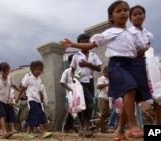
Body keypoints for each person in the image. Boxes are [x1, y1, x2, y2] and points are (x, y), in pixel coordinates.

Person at [60, 1, 151, 140]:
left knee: (131, 97)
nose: (123, 13)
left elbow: (137, 52)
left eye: (126, 10)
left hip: (130, 65)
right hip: (117, 65)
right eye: (119, 11)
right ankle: (133, 125)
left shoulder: (133, 34)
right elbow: (92, 44)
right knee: (130, 90)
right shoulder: (109, 32)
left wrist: (144, 50)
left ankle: (120, 131)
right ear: (111, 17)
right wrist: (72, 44)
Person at [129, 5, 161, 125]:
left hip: (149, 65)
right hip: (135, 65)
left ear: (144, 16)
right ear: (130, 18)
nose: (138, 16)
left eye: (140, 13)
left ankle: (158, 128)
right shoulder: (128, 33)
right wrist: (144, 50)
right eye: (135, 14)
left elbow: (149, 49)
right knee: (132, 96)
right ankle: (125, 127)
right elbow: (131, 53)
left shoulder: (148, 34)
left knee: (157, 95)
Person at [70, 34, 102, 137]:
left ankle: (84, 125)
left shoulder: (93, 55)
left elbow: (98, 69)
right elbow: (72, 69)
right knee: (88, 102)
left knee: (90, 104)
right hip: (80, 83)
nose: (85, 44)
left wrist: (88, 64)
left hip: (90, 81)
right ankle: (85, 126)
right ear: (79, 44)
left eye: (87, 41)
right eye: (82, 42)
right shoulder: (76, 56)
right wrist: (73, 79)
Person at [16, 60, 53, 139]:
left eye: (40, 70)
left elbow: (40, 91)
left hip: (38, 100)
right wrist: (18, 97)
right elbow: (23, 88)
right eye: (37, 69)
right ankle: (43, 132)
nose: (38, 71)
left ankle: (28, 133)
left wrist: (43, 99)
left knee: (33, 116)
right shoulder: (28, 78)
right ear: (32, 69)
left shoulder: (39, 80)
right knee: (39, 114)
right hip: (31, 100)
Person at [0, 62, 20, 139]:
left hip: (6, 102)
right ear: (1, 71)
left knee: (2, 117)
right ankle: (4, 132)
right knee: (2, 115)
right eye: (5, 71)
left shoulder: (10, 78)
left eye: (8, 71)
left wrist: (19, 91)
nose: (7, 73)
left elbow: (14, 86)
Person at [60, 54, 75, 132]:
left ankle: (69, 127)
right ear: (69, 62)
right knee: (71, 110)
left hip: (78, 94)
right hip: (70, 95)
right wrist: (70, 89)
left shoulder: (79, 71)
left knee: (78, 110)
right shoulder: (67, 71)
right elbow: (62, 82)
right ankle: (66, 127)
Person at [97, 66, 111, 133]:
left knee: (108, 114)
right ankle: (102, 129)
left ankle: (98, 122)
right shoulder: (101, 78)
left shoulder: (109, 79)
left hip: (108, 98)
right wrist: (107, 84)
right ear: (105, 72)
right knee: (103, 114)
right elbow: (98, 86)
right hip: (102, 97)